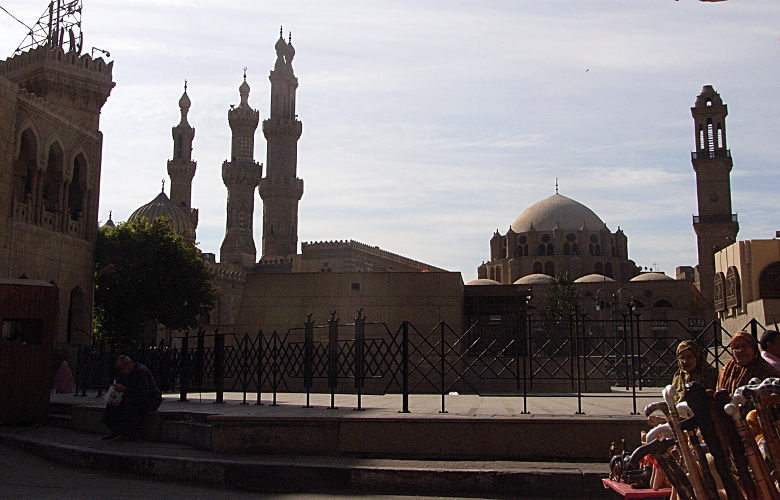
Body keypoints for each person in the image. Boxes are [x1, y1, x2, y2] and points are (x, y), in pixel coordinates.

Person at [101, 355, 163, 440]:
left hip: (150, 399)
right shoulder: (129, 373)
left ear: (128, 364)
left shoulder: (141, 371)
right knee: (115, 401)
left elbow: (142, 391)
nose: (122, 372)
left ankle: (127, 432)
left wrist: (125, 389)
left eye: (122, 369)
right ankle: (114, 429)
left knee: (131, 401)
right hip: (136, 395)